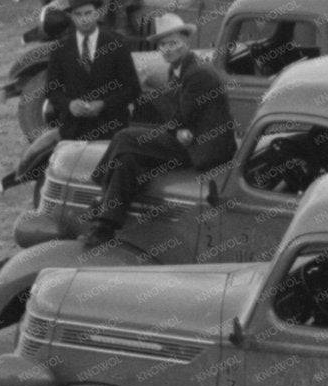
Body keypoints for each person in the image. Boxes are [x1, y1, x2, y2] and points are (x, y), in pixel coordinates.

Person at [84, 13, 238, 246]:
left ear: (187, 43)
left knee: (124, 137)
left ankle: (99, 185)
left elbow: (182, 116)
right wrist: (175, 128)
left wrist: (173, 127)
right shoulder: (178, 70)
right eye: (163, 45)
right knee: (126, 159)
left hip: (202, 148)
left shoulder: (198, 74)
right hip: (189, 138)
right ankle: (105, 225)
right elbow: (179, 115)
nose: (168, 49)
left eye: (173, 43)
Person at [43, 0, 140, 142]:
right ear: (72, 17)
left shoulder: (116, 43)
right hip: (74, 131)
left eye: (88, 13)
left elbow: (132, 88)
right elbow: (51, 91)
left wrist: (103, 104)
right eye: (78, 14)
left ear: (97, 13)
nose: (84, 18)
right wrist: (69, 105)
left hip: (112, 129)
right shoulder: (60, 49)